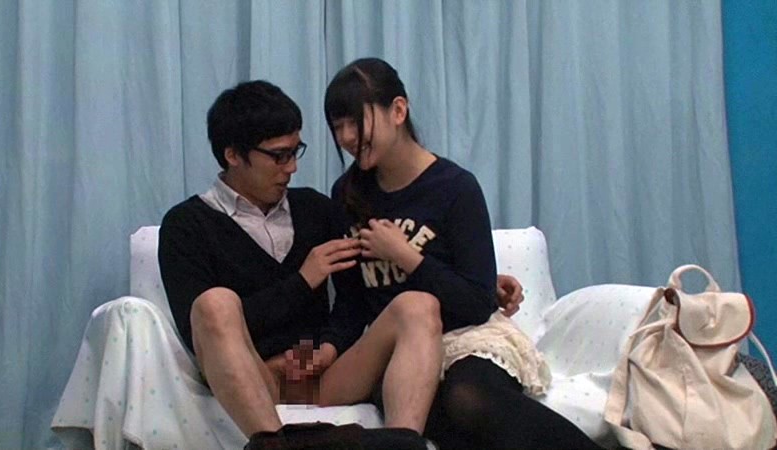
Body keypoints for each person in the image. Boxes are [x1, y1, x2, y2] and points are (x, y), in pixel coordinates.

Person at [158, 79, 525, 448]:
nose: (291, 168)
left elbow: (356, 297)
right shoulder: (186, 225)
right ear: (233, 155)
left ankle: (402, 444)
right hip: (250, 372)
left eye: (296, 152)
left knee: (418, 304)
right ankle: (275, 444)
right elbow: (202, 333)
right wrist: (303, 281)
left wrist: (327, 349)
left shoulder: (316, 209)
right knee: (216, 303)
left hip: (317, 371)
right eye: (279, 156)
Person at [319, 57, 601, 450]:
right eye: (338, 127)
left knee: (467, 398)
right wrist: (318, 356)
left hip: (467, 337)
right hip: (400, 347)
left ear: (398, 111)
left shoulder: (454, 188)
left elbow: (476, 302)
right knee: (440, 414)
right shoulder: (347, 195)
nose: (348, 137)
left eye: (357, 122)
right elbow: (350, 305)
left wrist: (407, 257)